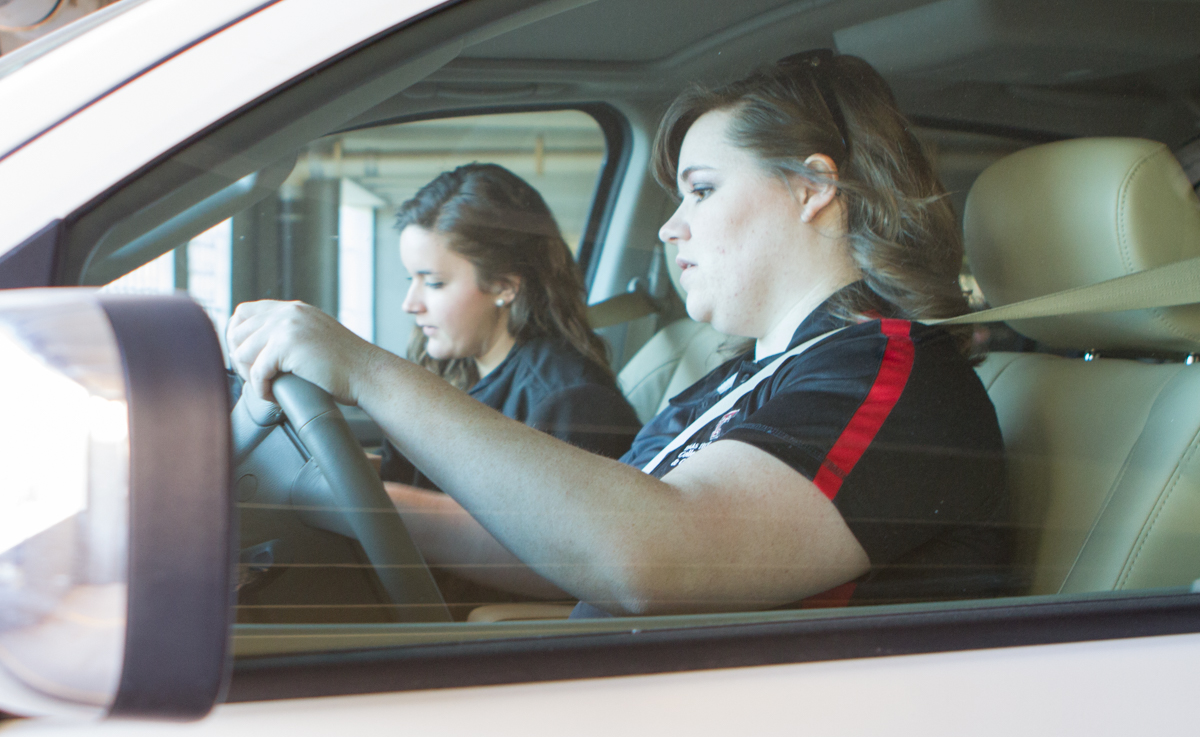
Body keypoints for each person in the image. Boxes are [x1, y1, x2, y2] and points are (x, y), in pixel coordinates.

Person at [229, 51, 1013, 616]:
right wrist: (355, 499)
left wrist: (369, 375)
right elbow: (574, 555)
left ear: (812, 188)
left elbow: (649, 557)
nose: (670, 228)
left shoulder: (894, 380)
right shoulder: (749, 377)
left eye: (701, 190)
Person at [380, 163, 640, 491]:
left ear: (504, 286)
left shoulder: (570, 402)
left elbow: (549, 537)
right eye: (410, 278)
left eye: (434, 283)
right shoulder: (446, 365)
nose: (410, 304)